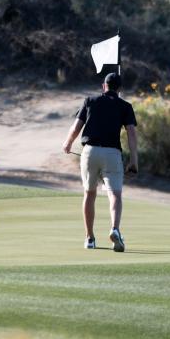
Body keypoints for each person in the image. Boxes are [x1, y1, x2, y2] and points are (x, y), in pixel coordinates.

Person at [62, 72, 138, 252]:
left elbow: (76, 126)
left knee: (89, 194)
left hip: (90, 152)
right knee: (115, 194)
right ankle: (115, 229)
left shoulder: (90, 101)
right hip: (112, 153)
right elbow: (132, 133)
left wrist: (68, 143)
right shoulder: (125, 106)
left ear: (104, 86)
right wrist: (134, 160)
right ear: (119, 89)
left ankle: (89, 238)